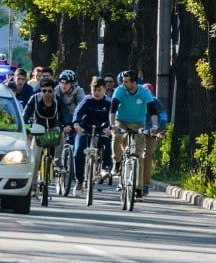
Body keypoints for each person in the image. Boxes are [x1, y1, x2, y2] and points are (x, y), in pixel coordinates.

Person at [109, 69, 160, 200]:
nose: (123, 83)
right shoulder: (120, 90)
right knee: (118, 136)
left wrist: (154, 126)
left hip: (139, 123)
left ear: (133, 82)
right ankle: (117, 162)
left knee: (139, 156)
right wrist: (113, 124)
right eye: (123, 81)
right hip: (122, 121)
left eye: (126, 81)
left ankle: (138, 188)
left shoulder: (144, 92)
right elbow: (113, 108)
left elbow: (153, 110)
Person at [23, 78, 66, 191]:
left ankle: (57, 163)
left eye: (49, 91)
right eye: (44, 91)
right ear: (40, 91)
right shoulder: (34, 99)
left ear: (54, 91)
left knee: (61, 135)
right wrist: (25, 126)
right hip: (38, 131)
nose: (47, 93)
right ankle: (32, 186)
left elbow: (65, 114)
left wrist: (68, 125)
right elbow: (25, 114)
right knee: (34, 158)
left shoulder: (58, 100)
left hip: (53, 129)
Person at [72, 76, 112, 192]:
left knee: (108, 145)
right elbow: (77, 114)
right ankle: (79, 180)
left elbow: (114, 118)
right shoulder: (86, 100)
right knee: (78, 151)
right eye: (94, 90)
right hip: (85, 130)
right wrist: (76, 125)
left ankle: (105, 168)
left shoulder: (109, 102)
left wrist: (111, 128)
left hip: (102, 131)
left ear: (104, 89)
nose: (96, 93)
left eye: (99, 90)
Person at [141, 82, 168, 196]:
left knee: (147, 156)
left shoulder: (156, 103)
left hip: (150, 132)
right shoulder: (136, 101)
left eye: (149, 92)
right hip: (136, 130)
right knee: (131, 153)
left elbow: (162, 116)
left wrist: (158, 127)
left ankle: (145, 184)